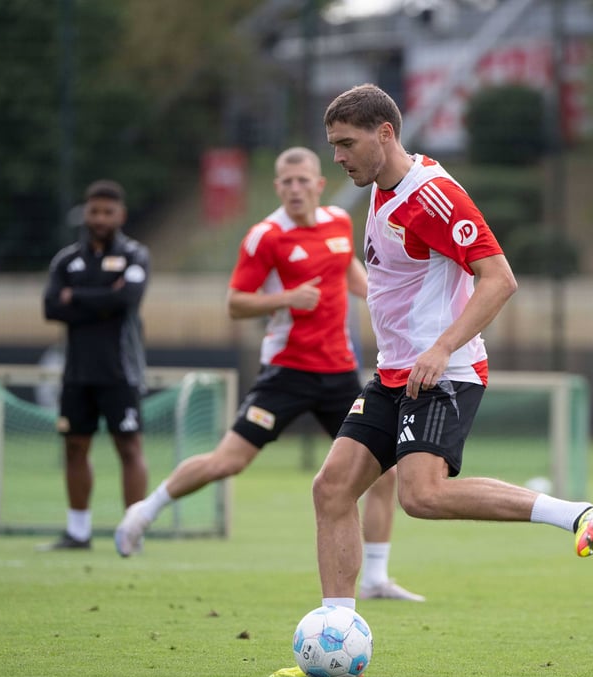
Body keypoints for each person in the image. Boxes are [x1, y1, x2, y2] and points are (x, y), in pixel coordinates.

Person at [313, 83, 593, 611]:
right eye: (334, 145)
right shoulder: (380, 184)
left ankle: (576, 513)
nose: (338, 156)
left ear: (384, 134)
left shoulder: (432, 194)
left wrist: (440, 348)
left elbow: (499, 279)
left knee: (422, 495)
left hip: (443, 372)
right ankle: (336, 630)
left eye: (345, 143)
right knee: (331, 489)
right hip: (395, 372)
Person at [114, 147, 424, 602]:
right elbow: (236, 303)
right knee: (229, 461)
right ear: (278, 188)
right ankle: (144, 511)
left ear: (319, 184)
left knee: (383, 475)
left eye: (303, 181)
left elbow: (348, 271)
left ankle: (376, 578)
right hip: (286, 374)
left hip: (338, 373)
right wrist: (286, 299)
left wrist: (382, 297)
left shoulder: (339, 222)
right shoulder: (265, 237)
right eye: (286, 182)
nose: (295, 189)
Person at [40, 179, 150, 550]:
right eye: (94, 211)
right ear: (84, 213)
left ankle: (132, 532)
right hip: (77, 373)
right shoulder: (66, 259)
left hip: (120, 371)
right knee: (74, 447)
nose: (100, 218)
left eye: (108, 211)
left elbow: (128, 299)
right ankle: (78, 531)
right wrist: (104, 296)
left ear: (121, 215)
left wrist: (78, 299)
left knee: (128, 448)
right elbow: (51, 307)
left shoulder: (136, 255)